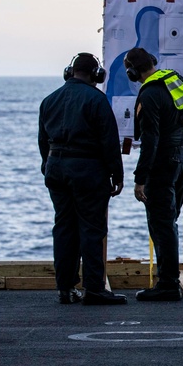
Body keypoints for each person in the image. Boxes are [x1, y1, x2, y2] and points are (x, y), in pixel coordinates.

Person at [39, 53, 127, 305]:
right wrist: (117, 174)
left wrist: (49, 166)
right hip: (88, 170)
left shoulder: (49, 100)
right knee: (91, 229)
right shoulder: (97, 100)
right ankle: (94, 289)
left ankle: (65, 289)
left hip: (56, 168)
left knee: (64, 228)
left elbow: (42, 142)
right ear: (95, 75)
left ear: (70, 71)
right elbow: (109, 142)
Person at [124, 47, 183, 302]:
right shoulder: (176, 79)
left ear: (132, 72)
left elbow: (150, 140)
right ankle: (168, 280)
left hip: (163, 164)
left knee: (162, 225)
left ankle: (167, 284)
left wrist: (139, 179)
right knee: (169, 222)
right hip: (182, 158)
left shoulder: (150, 94)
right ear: (153, 62)